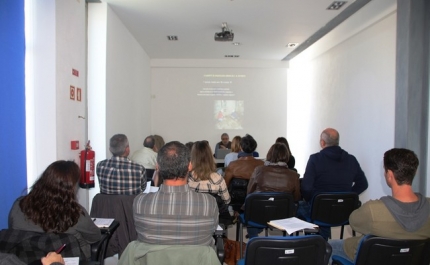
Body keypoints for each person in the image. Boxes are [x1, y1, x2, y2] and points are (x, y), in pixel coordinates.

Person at [329, 148, 430, 263]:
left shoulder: (373, 210)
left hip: (366, 256)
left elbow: (353, 222)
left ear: (390, 175)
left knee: (325, 246)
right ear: (415, 172)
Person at [8, 161, 101, 260]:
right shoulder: (75, 214)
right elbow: (94, 237)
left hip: (27, 260)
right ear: (70, 188)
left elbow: (13, 231)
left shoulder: (19, 205)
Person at [133, 141, 219, 246]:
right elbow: (213, 230)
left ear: (157, 167)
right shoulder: (209, 202)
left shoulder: (140, 202)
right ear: (190, 166)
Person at [297, 128, 368, 240]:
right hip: (344, 212)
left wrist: (313, 199)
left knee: (299, 207)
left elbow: (306, 187)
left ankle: (315, 244)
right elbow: (363, 184)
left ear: (322, 142)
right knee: (321, 209)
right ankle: (323, 244)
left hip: (320, 211)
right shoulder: (351, 159)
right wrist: (348, 196)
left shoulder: (315, 159)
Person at [245, 143, 301, 238]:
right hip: (283, 216)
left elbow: (249, 193)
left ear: (269, 154)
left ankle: (253, 239)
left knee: (251, 206)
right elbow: (296, 198)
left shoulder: (259, 170)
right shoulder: (293, 175)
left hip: (258, 215)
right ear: (286, 156)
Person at [188, 141, 231, 217]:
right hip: (212, 219)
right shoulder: (218, 178)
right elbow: (227, 201)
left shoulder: (186, 178)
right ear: (210, 157)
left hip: (191, 216)